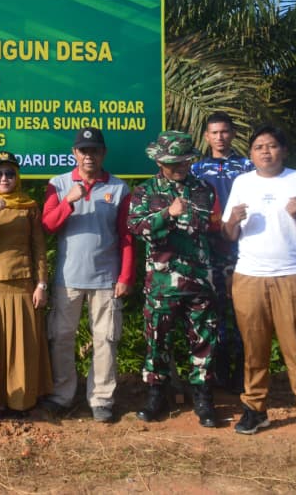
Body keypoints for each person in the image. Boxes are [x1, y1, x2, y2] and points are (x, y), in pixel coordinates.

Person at [222, 125, 296, 443]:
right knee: (253, 348)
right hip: (249, 276)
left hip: (294, 275)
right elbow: (228, 234)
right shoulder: (242, 182)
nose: (265, 151)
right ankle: (255, 409)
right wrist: (233, 221)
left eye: (271, 145)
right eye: (258, 147)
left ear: (283, 150)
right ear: (251, 154)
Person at [40, 127, 134, 423]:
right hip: (67, 278)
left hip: (106, 278)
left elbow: (127, 236)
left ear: (103, 153)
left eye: (94, 150)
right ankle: (62, 394)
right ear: (74, 153)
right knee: (61, 337)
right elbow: (47, 226)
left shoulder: (118, 188)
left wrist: (125, 276)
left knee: (106, 339)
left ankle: (101, 398)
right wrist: (68, 201)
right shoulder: (58, 184)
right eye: (83, 150)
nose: (88, 155)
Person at [128, 130, 220, 428]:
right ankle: (156, 395)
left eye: (184, 161)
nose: (180, 167)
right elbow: (137, 228)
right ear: (159, 162)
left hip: (199, 281)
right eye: (173, 162)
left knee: (204, 342)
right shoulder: (145, 191)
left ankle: (203, 399)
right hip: (161, 282)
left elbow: (207, 225)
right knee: (157, 342)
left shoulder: (203, 189)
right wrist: (168, 213)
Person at [0, 151, 52, 418]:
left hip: (22, 285)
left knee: (21, 347)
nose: (4, 178)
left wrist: (42, 284)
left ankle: (21, 402)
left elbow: (39, 248)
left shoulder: (29, 206)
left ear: (17, 177)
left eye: (10, 173)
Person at [191, 111, 253, 391]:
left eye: (225, 131)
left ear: (233, 134)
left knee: (243, 311)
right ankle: (218, 371)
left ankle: (243, 372)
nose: (220, 137)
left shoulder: (248, 167)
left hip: (243, 249)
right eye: (214, 132)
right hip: (208, 251)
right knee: (213, 311)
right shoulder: (196, 170)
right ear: (206, 136)